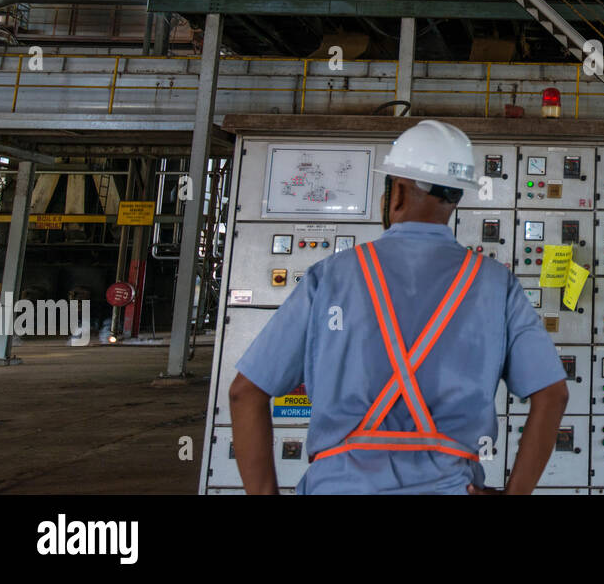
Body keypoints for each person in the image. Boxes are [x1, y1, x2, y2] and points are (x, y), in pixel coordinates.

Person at [228, 119, 568, 494]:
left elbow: (245, 393)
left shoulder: (329, 277)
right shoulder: (495, 283)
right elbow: (552, 394)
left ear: (398, 193)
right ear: (455, 197)